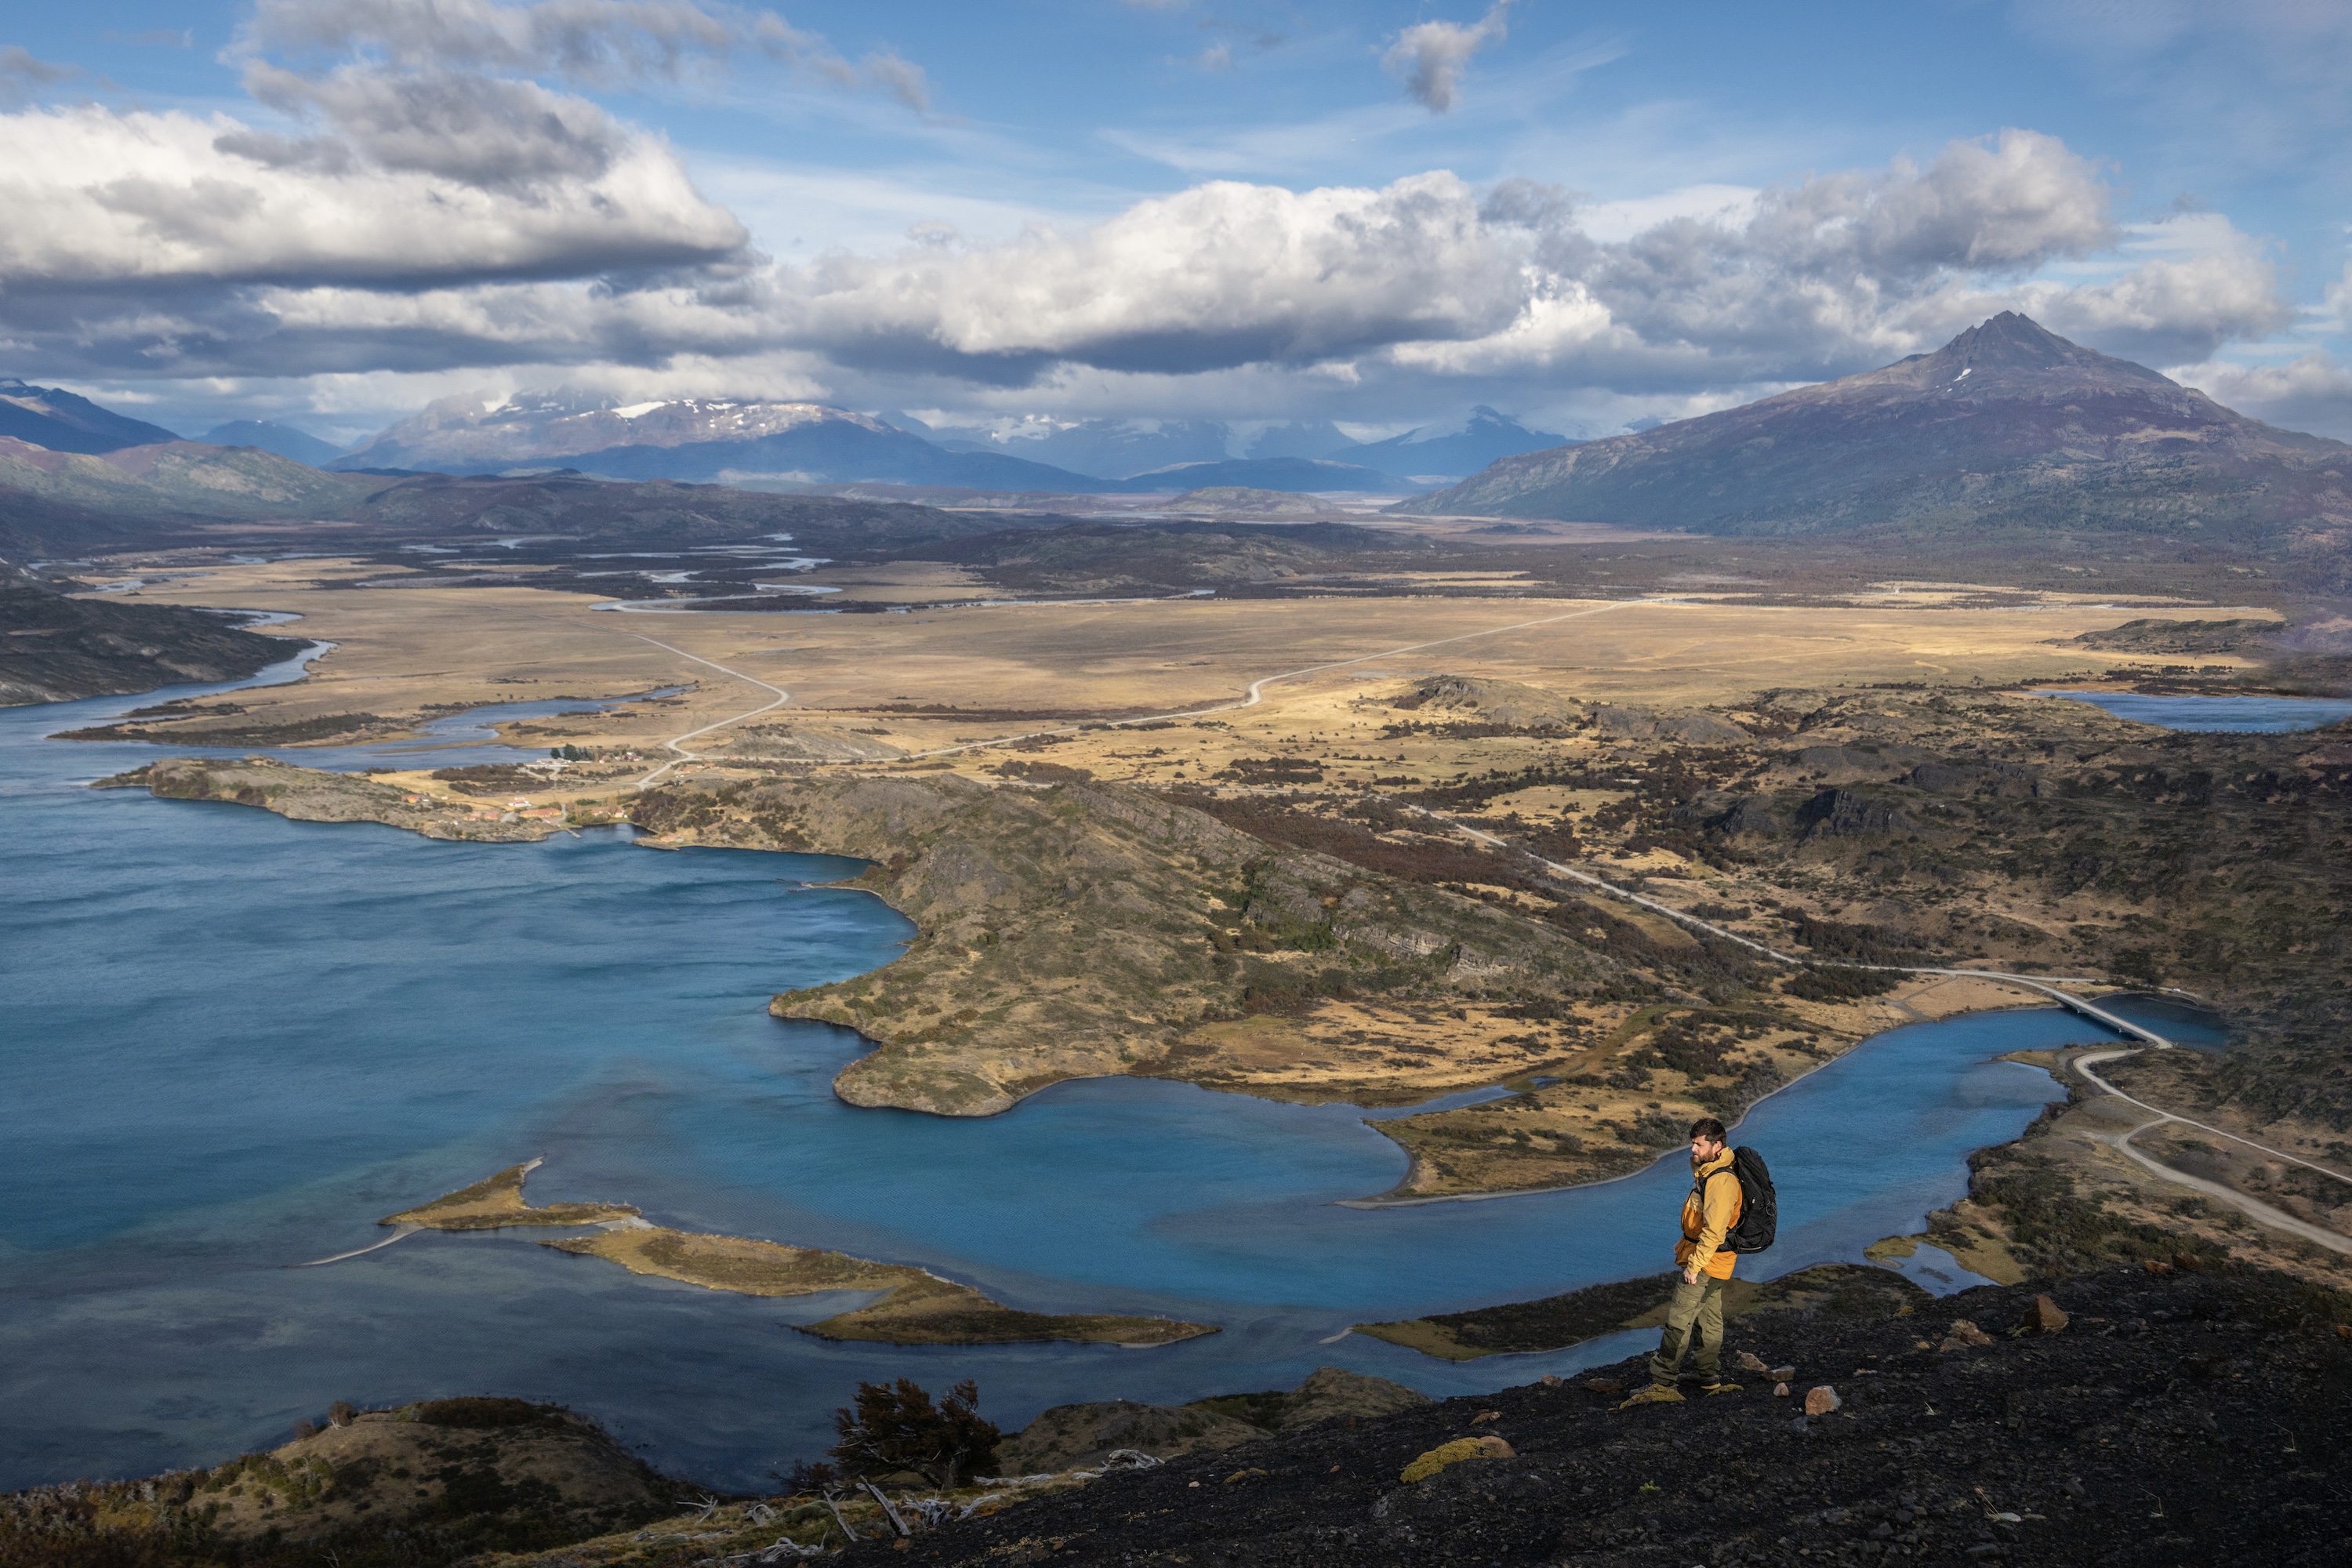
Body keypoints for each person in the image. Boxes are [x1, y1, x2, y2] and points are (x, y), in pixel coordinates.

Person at [1620, 1117, 1744, 1405]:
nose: (1693, 1149)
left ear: (1717, 1145)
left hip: (1707, 1261)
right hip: (1718, 1261)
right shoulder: (1714, 1170)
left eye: (1699, 1144)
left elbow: (1714, 1230)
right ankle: (1709, 1379)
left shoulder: (1721, 1180)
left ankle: (1663, 1383)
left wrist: (1694, 1266)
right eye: (1693, 1143)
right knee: (1708, 1319)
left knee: (1679, 1321)